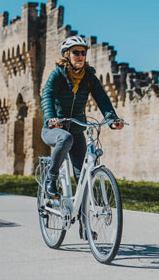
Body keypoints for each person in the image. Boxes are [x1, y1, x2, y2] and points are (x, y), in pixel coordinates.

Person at [40, 35, 124, 198]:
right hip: (54, 128)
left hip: (77, 130)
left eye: (82, 53)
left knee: (82, 178)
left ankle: (83, 221)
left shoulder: (89, 77)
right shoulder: (57, 74)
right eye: (75, 52)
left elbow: (102, 99)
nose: (80, 56)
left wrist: (112, 119)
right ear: (67, 55)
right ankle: (51, 179)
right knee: (65, 138)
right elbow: (47, 95)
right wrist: (51, 118)